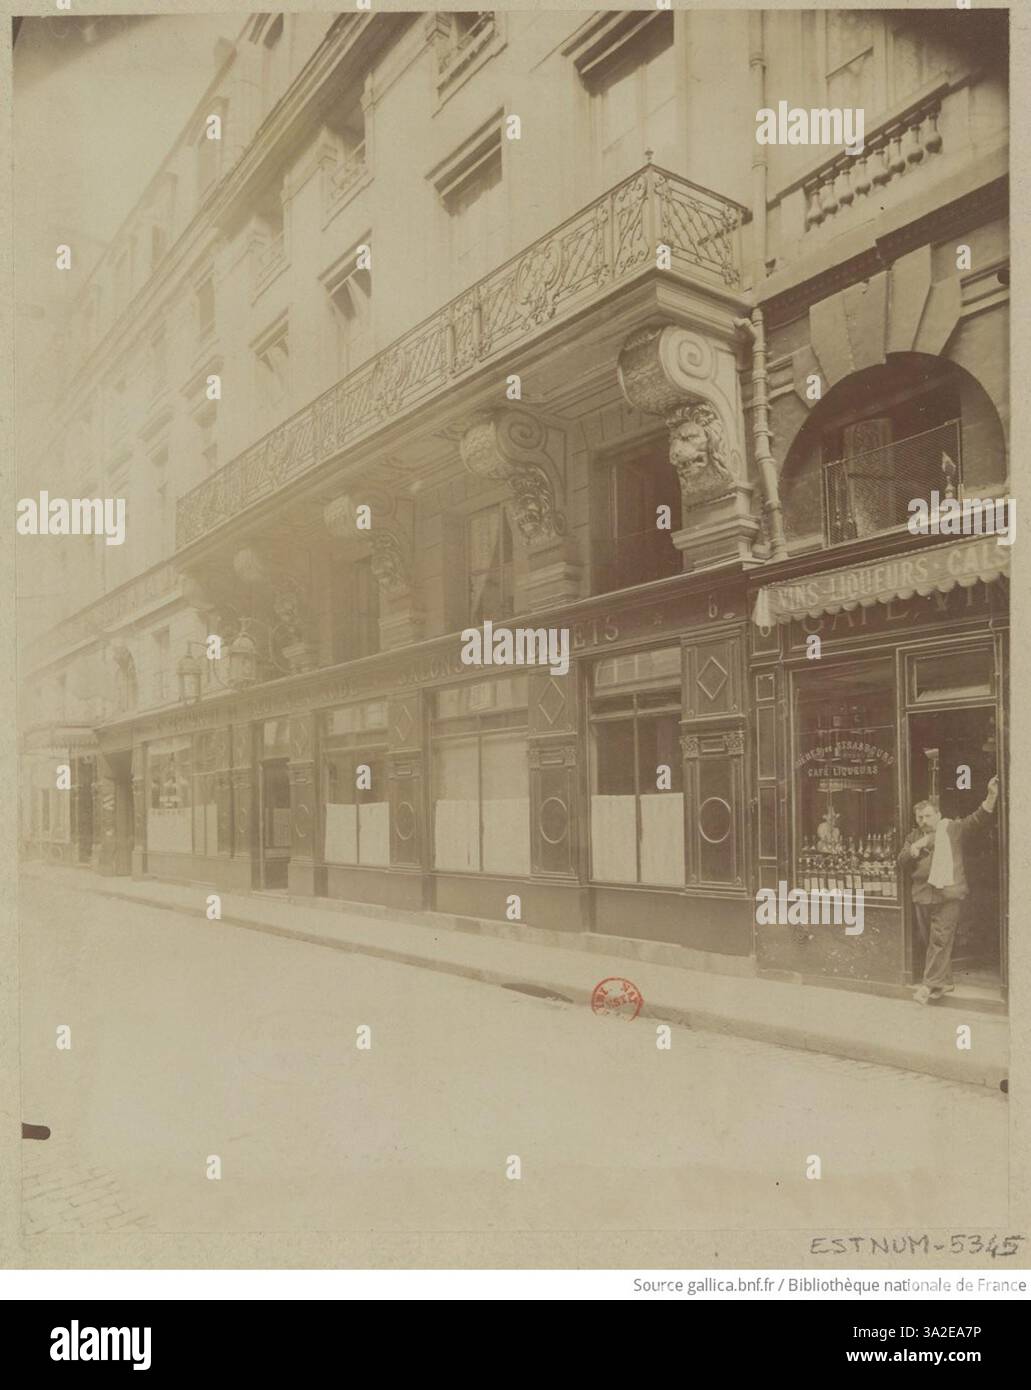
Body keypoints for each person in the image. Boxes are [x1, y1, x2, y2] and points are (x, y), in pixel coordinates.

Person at [897, 775, 999, 1004]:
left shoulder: (951, 829)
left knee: (939, 940)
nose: (923, 820)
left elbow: (978, 819)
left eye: (928, 816)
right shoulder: (913, 837)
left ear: (938, 816)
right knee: (930, 941)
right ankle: (943, 983)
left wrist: (992, 794)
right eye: (919, 817)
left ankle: (927, 986)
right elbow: (901, 861)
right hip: (922, 897)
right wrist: (914, 849)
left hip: (949, 895)